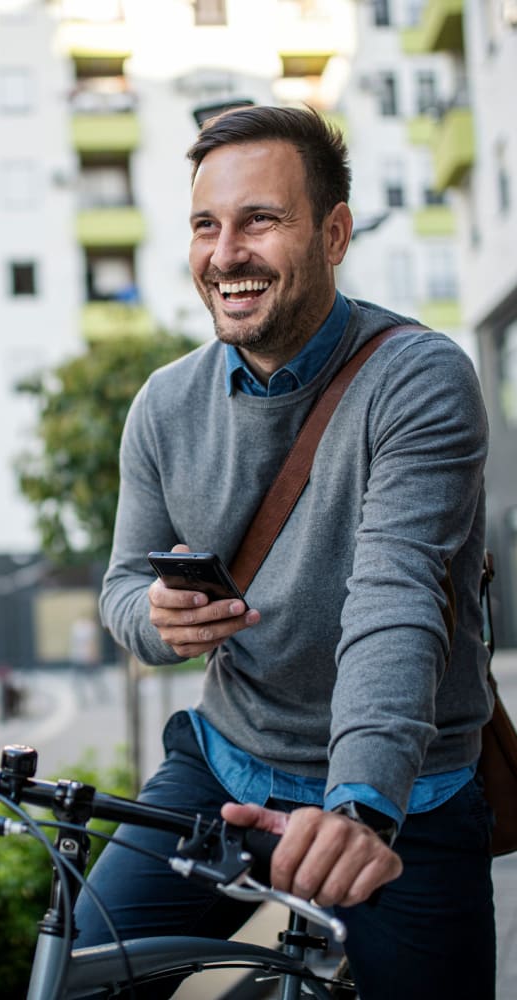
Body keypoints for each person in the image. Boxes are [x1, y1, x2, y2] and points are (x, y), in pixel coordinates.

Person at [74, 105, 496, 999]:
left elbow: (395, 600)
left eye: (259, 220)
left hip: (401, 797)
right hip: (226, 763)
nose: (226, 253)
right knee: (87, 970)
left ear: (334, 233)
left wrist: (360, 808)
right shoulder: (162, 406)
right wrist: (153, 620)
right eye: (205, 226)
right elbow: (119, 585)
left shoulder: (420, 378)